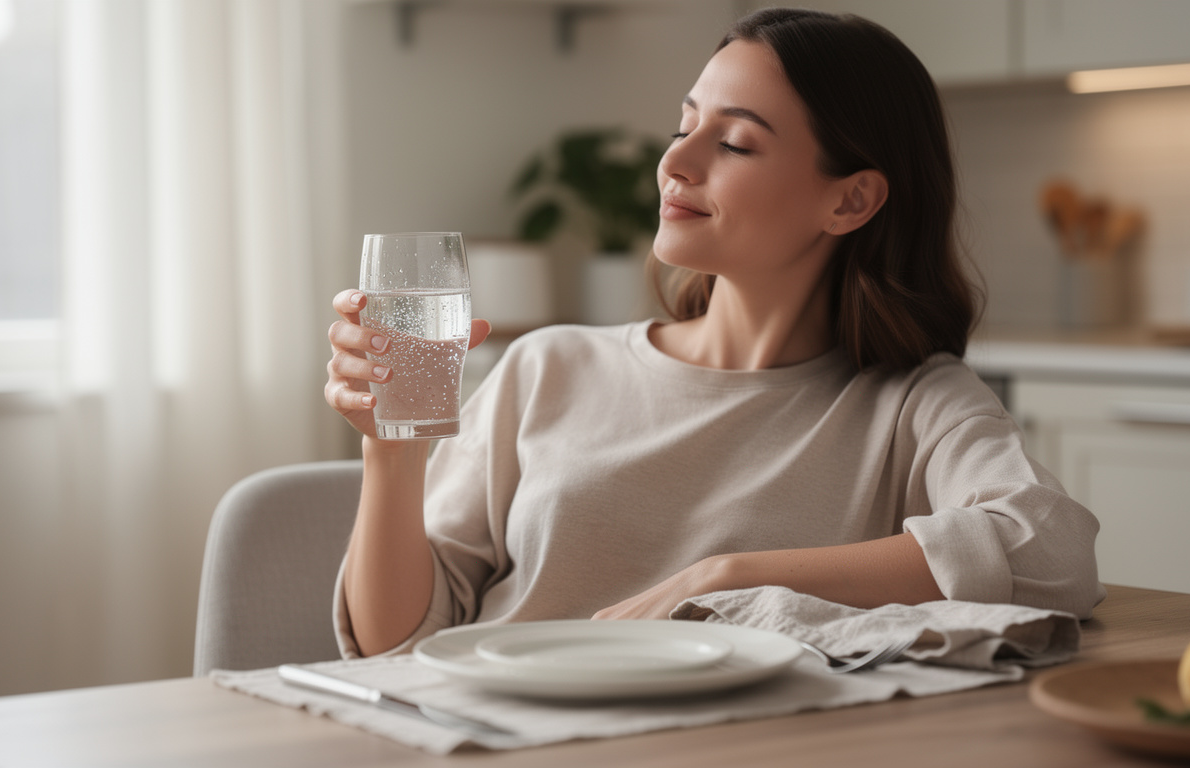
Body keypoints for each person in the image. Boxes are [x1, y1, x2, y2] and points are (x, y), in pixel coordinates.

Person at [325, 7, 1104, 658]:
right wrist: (391, 456)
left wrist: (725, 576)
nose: (676, 162)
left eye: (733, 142)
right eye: (683, 126)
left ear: (851, 200)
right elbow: (398, 645)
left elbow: (1051, 551)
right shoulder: (547, 368)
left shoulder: (912, 403)